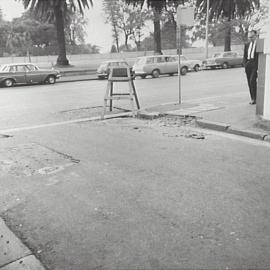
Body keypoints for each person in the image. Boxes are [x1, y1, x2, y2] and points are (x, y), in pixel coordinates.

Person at [243, 30, 259, 105]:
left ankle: (256, 98)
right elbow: (244, 56)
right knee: (249, 82)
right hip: (248, 64)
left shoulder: (259, 44)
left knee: (252, 81)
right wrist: (245, 64)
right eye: (249, 37)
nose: (250, 39)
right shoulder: (247, 44)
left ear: (256, 36)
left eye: (252, 37)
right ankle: (252, 98)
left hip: (255, 64)